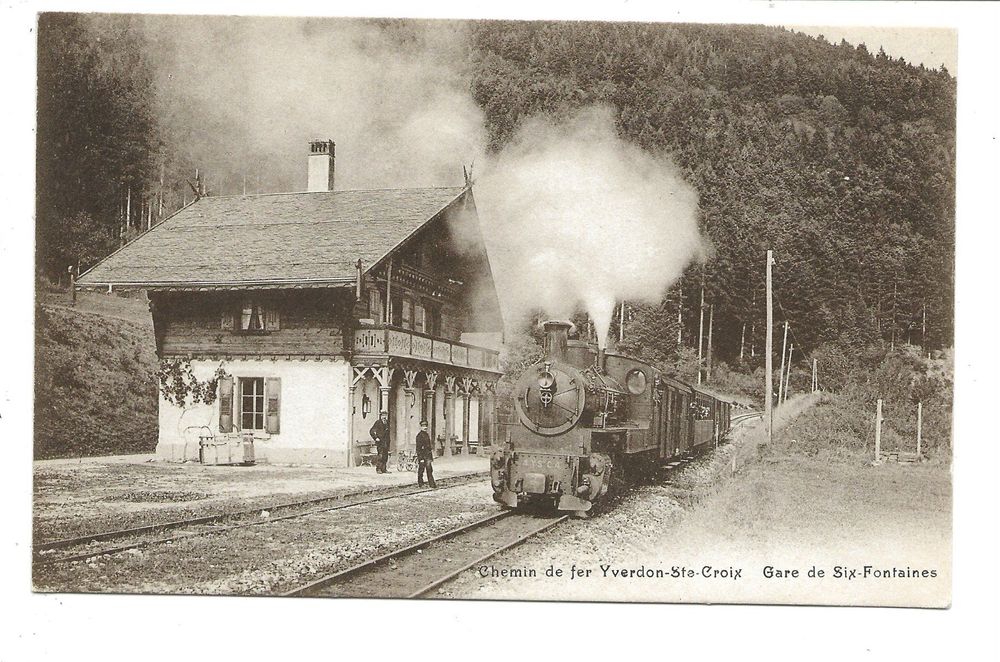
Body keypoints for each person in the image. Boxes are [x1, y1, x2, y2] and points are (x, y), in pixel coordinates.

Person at [415, 419, 436, 488]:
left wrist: (431, 457)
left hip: (428, 456)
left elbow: (429, 447)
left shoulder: (427, 435)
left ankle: (432, 484)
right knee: (421, 470)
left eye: (426, 426)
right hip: (422, 456)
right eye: (423, 426)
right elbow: (418, 449)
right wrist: (420, 458)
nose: (425, 427)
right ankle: (420, 483)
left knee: (429, 469)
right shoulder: (419, 436)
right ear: (421, 427)